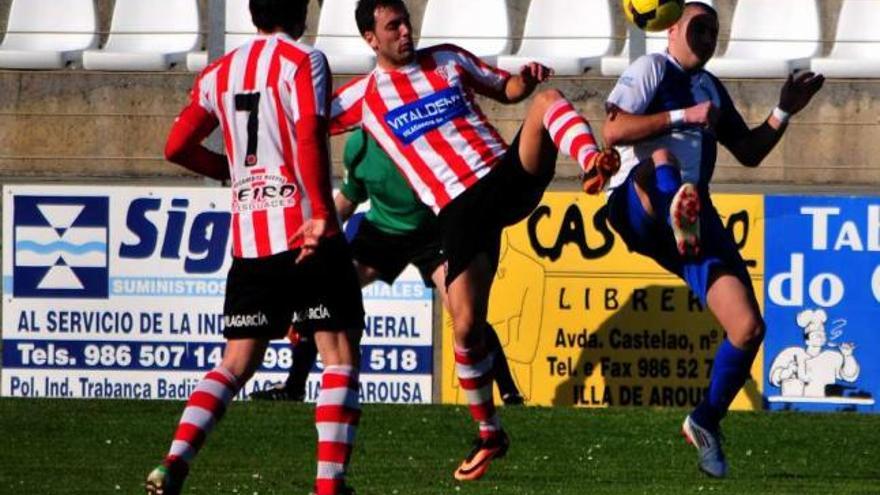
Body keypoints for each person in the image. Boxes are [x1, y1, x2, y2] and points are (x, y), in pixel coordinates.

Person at [330, 0, 619, 481]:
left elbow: (505, 90)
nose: (406, 31)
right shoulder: (361, 97)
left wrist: (522, 82)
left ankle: (592, 162)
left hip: (498, 176)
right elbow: (304, 120)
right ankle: (490, 434)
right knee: (466, 327)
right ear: (370, 39)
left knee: (545, 102)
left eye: (406, 20)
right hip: (458, 210)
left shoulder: (446, 59)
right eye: (393, 26)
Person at [145, 1, 365, 494]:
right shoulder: (304, 60)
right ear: (302, 12)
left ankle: (174, 459)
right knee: (338, 356)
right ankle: (329, 485)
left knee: (235, 363)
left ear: (251, 14)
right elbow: (308, 134)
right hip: (303, 231)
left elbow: (176, 146)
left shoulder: (219, 73)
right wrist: (318, 215)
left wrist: (230, 171)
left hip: (250, 239)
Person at [601, 1, 824, 478]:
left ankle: (704, 421)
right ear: (672, 27)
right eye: (700, 27)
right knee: (660, 159)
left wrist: (784, 111)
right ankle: (675, 212)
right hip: (637, 204)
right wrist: (682, 115)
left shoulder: (709, 87)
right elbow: (614, 129)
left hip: (694, 214)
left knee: (748, 328)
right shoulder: (651, 68)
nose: (709, 37)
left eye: (714, 30)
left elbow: (747, 152)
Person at [251, 130, 526, 405]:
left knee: (464, 312)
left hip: (432, 232)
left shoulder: (422, 135)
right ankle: (294, 386)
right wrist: (319, 231)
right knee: (325, 293)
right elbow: (349, 197)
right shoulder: (358, 145)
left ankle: (509, 392)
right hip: (381, 232)